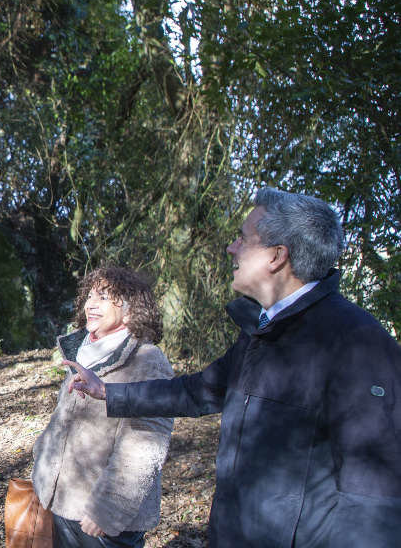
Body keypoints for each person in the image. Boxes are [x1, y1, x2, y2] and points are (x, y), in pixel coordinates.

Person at [66, 187, 401, 547]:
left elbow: (374, 500)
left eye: (243, 239)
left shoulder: (358, 343)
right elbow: (196, 392)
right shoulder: (261, 332)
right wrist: (106, 392)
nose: (231, 248)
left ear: (276, 256)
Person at [32, 265, 174, 548]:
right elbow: (63, 419)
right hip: (61, 502)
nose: (91, 304)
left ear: (130, 309)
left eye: (104, 297)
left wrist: (108, 511)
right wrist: (42, 462)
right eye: (89, 296)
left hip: (103, 521)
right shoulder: (82, 351)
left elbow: (145, 446)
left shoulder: (148, 360)